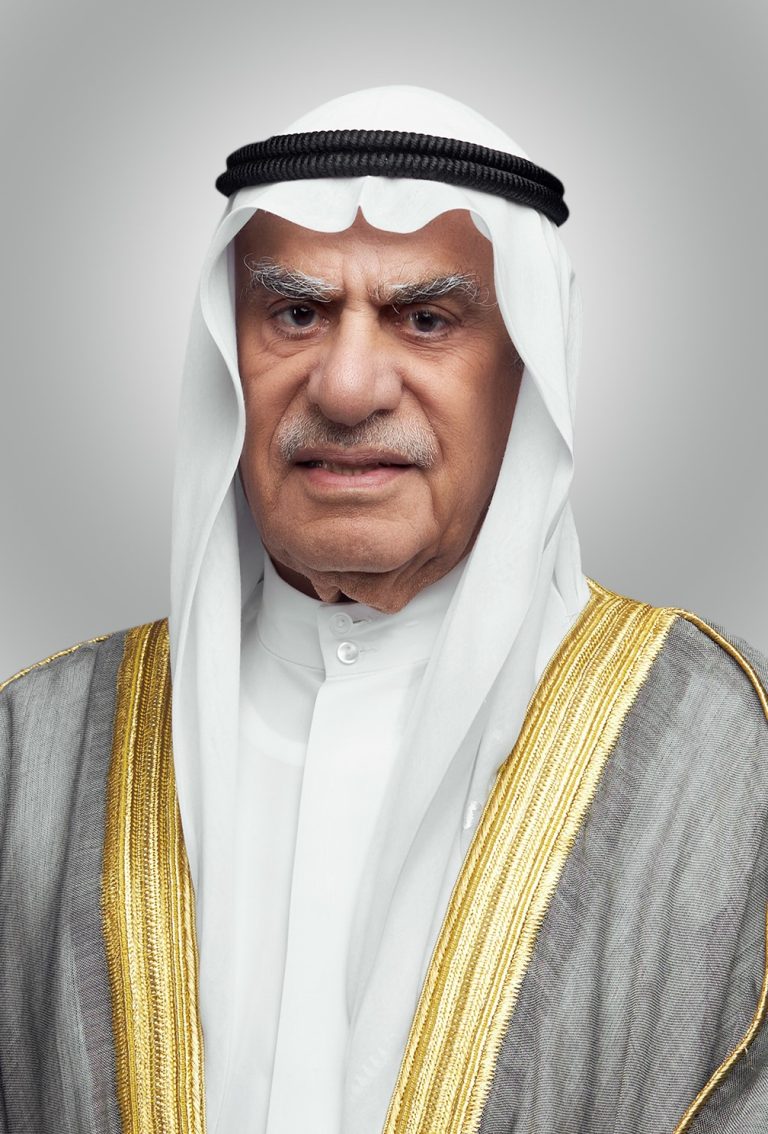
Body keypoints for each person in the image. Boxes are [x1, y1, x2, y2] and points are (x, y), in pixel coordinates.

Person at [0, 85, 766, 1134]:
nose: (349, 388)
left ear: (528, 372)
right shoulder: (33, 754)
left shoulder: (722, 757)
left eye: (426, 319)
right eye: (297, 314)